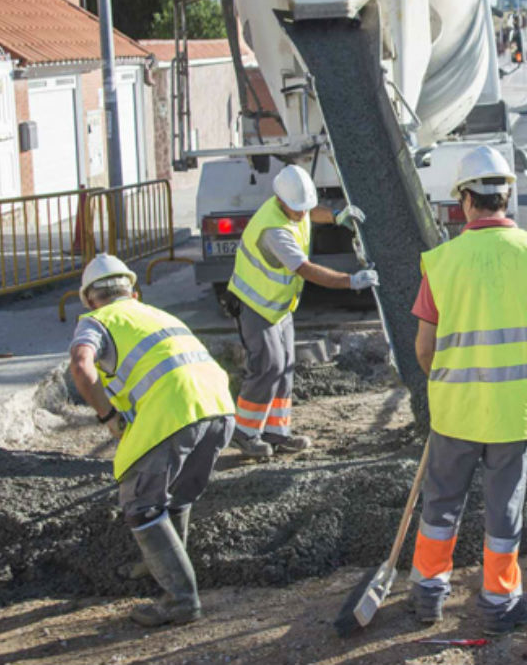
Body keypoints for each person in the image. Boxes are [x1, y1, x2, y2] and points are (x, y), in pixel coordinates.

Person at [408, 145, 527, 635]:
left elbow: (424, 347)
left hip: (457, 409)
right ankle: (498, 602)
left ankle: (428, 595)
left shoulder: (442, 262)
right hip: (516, 411)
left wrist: (450, 380)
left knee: (441, 503)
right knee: (504, 506)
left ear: (465, 201)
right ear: (507, 196)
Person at [68, 254, 234, 626]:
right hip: (219, 405)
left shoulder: (96, 321)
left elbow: (81, 366)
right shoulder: (157, 315)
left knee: (141, 504)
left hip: (175, 412)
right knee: (174, 496)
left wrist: (108, 416)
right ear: (134, 292)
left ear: (90, 299)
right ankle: (166, 564)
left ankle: (180, 600)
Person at [225, 165, 379, 458]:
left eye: (304, 208)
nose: (302, 214)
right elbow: (306, 270)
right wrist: (351, 281)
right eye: (297, 209)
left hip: (278, 305)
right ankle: (244, 432)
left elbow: (312, 211)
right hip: (256, 305)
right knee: (267, 366)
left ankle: (277, 432)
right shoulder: (274, 230)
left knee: (284, 369)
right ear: (281, 202)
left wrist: (336, 216)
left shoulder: (293, 208)